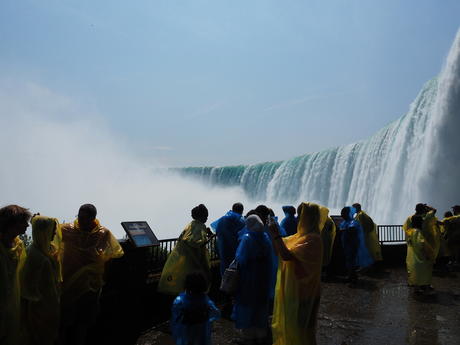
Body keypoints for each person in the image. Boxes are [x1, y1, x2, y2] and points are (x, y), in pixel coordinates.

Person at [58, 204, 124, 345]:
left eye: (84, 218)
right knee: (63, 321)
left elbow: (110, 256)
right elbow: (49, 233)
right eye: (79, 217)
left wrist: (103, 276)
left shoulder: (103, 233)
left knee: (83, 321)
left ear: (93, 219)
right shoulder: (67, 230)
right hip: (68, 281)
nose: (80, 220)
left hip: (90, 284)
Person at [269, 202, 327, 345]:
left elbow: (286, 255)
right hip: (297, 290)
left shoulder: (313, 239)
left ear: (308, 218)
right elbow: (279, 250)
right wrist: (273, 234)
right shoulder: (300, 237)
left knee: (303, 329)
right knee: (297, 327)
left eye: (301, 215)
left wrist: (275, 234)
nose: (298, 218)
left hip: (306, 292)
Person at [20, 215, 61, 345]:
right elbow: (29, 293)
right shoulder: (36, 257)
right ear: (43, 232)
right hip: (38, 315)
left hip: (47, 312)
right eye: (52, 229)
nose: (55, 233)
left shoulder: (45, 251)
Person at [232, 215, 273, 345]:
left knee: (247, 305)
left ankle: (248, 337)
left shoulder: (247, 239)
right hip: (263, 278)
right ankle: (261, 334)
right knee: (260, 306)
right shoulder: (265, 238)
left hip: (248, 278)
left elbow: (240, 258)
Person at [158, 204, 213, 295]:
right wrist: (209, 237)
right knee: (199, 282)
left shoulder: (191, 224)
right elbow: (195, 242)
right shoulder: (200, 226)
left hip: (185, 259)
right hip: (195, 260)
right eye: (206, 216)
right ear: (201, 216)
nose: (207, 218)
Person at [0, 205, 31, 345]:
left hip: (10, 304)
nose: (27, 224)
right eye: (23, 221)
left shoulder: (18, 245)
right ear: (12, 222)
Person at [171, 272, 220, 345]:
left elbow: (175, 317)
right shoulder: (205, 300)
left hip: (187, 330)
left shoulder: (180, 301)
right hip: (201, 330)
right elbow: (216, 314)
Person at [405, 209, 438, 294]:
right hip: (421, 257)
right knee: (426, 273)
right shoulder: (417, 232)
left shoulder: (410, 231)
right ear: (420, 223)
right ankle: (427, 290)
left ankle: (416, 289)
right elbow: (421, 243)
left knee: (416, 273)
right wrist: (428, 254)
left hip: (413, 257)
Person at [339, 206, 373, 283]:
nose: (341, 215)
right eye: (341, 213)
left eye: (343, 213)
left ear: (348, 214)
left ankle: (352, 277)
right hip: (347, 245)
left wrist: (342, 230)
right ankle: (353, 276)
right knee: (349, 261)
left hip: (352, 245)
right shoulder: (346, 222)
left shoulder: (352, 222)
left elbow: (352, 229)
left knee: (351, 261)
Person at [211, 202, 245, 276]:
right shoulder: (241, 221)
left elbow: (217, 232)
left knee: (225, 274)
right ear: (242, 211)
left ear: (232, 209)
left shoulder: (222, 220)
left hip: (223, 250)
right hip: (235, 252)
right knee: (236, 275)